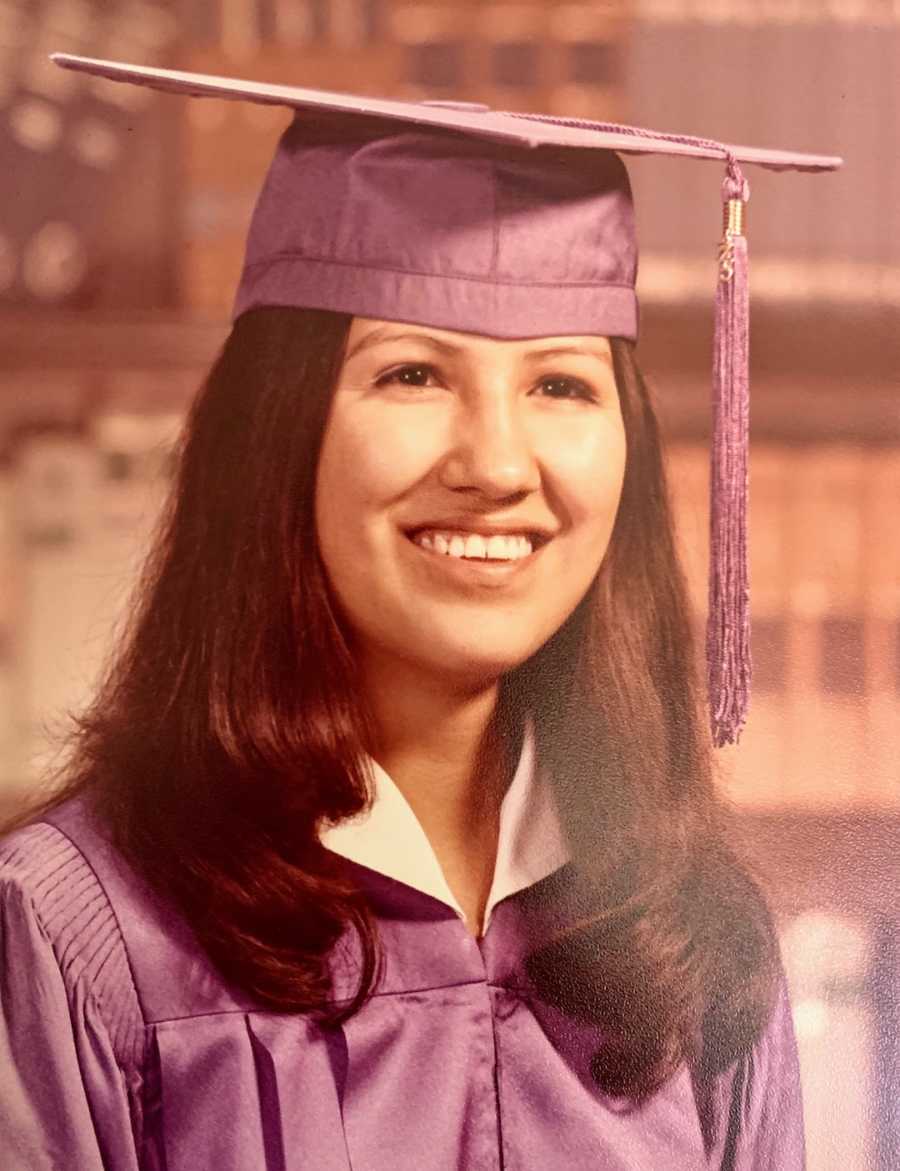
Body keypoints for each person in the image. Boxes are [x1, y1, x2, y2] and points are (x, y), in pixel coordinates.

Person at [0, 54, 841, 1171]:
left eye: (560, 384)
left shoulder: (695, 941)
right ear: (278, 440)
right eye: (411, 375)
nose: (497, 463)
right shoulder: (77, 937)